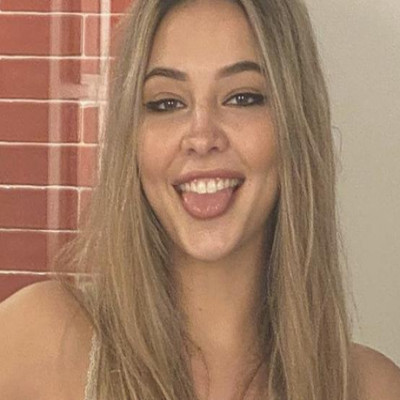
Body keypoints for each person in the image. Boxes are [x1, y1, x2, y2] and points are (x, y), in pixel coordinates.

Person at [1, 0, 400, 399]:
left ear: (294, 123)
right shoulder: (35, 343)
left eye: (242, 97)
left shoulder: (371, 388)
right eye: (167, 103)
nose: (202, 137)